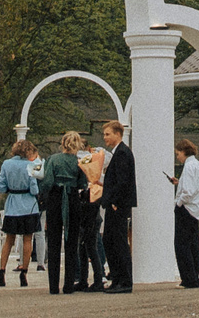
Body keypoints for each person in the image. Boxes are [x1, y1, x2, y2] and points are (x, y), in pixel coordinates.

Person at [42, 130, 86, 295]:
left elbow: (48, 182)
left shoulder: (53, 159)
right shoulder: (79, 162)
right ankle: (69, 284)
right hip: (72, 199)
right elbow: (83, 183)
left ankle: (53, 286)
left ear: (62, 143)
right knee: (71, 241)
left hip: (56, 199)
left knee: (53, 241)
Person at [0, 139, 40, 287]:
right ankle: (24, 272)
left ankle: (2, 271)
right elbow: (34, 189)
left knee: (9, 239)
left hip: (12, 205)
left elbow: (1, 187)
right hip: (29, 206)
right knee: (27, 239)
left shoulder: (6, 164)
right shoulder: (30, 165)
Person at [100, 120, 137, 293]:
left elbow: (122, 182)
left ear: (117, 134)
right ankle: (116, 278)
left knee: (119, 241)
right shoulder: (118, 153)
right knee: (109, 240)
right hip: (114, 204)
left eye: (108, 134)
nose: (105, 137)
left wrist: (114, 201)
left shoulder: (122, 153)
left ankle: (125, 280)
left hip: (118, 206)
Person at [171, 138, 199, 290]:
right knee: (193, 245)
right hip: (195, 210)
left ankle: (188, 279)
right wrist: (179, 183)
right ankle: (193, 277)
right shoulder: (198, 165)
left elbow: (188, 191)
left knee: (182, 245)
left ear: (184, 152)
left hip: (186, 209)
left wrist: (178, 202)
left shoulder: (189, 167)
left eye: (178, 154)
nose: (177, 157)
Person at [77, 146, 108, 291]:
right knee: (84, 247)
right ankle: (86, 278)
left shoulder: (93, 184)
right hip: (90, 214)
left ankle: (97, 278)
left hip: (89, 215)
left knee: (90, 246)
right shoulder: (94, 182)